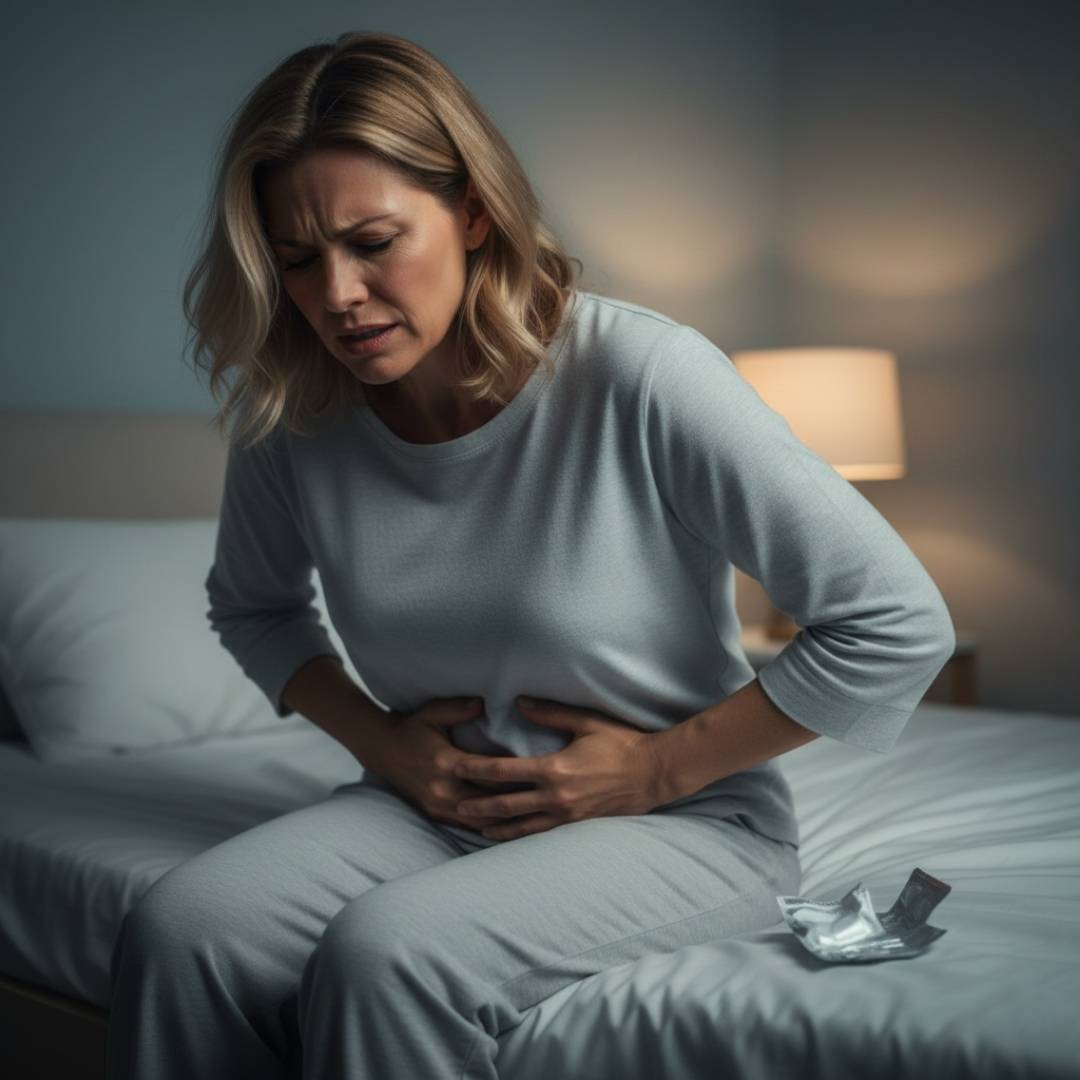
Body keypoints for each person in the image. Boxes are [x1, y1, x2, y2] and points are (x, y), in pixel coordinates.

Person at [105, 30, 956, 1080]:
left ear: (472, 212)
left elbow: (896, 621)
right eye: (295, 258)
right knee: (181, 929)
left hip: (685, 825)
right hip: (438, 805)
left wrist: (654, 768)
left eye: (373, 240)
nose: (335, 295)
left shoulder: (639, 374)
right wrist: (387, 747)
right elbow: (256, 610)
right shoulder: (298, 414)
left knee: (391, 956)